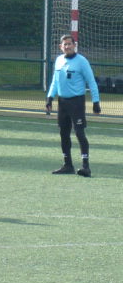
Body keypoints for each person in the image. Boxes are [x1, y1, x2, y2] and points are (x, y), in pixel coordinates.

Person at [46, 34, 101, 177]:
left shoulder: (82, 61)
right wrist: (50, 98)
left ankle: (86, 167)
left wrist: (96, 101)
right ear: (60, 47)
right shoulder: (58, 60)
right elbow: (55, 81)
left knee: (79, 133)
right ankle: (67, 165)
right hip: (62, 102)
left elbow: (91, 82)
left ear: (74, 45)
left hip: (76, 102)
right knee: (63, 133)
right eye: (64, 44)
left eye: (69, 44)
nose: (67, 46)